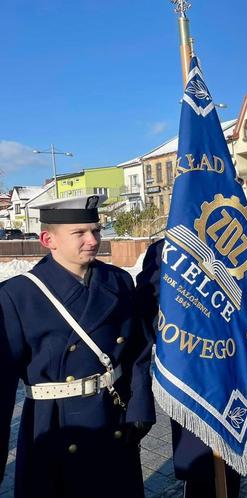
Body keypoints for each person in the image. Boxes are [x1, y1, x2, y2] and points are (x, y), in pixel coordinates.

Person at [0, 195, 155, 498]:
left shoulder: (119, 280)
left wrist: (140, 405)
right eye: (80, 233)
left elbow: (138, 349)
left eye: (96, 230)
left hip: (112, 417)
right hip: (53, 423)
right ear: (48, 239)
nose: (92, 239)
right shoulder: (18, 295)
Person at [135, 239, 247, 498]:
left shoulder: (235, 246)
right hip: (192, 376)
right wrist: (181, 343)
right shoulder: (166, 249)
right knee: (201, 468)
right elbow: (147, 308)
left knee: (233, 461)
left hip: (233, 373)